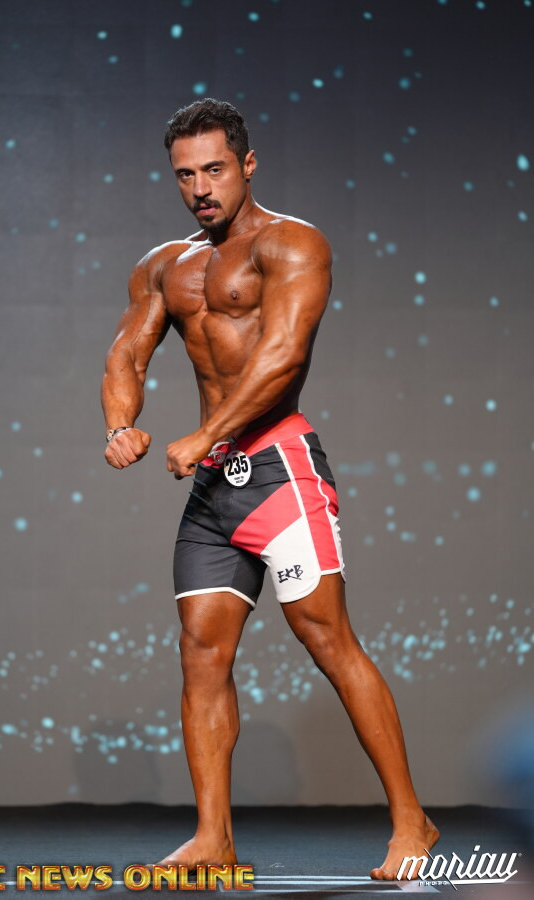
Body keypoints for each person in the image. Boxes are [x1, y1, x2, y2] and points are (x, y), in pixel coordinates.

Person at [101, 98, 439, 881]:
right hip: (213, 490)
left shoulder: (292, 243)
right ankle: (213, 838)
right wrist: (120, 425)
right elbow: (126, 354)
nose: (200, 188)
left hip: (279, 467)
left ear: (248, 164)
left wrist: (204, 436)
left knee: (327, 639)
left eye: (214, 169)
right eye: (185, 175)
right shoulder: (164, 265)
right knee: (200, 653)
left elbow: (282, 358)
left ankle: (411, 821)